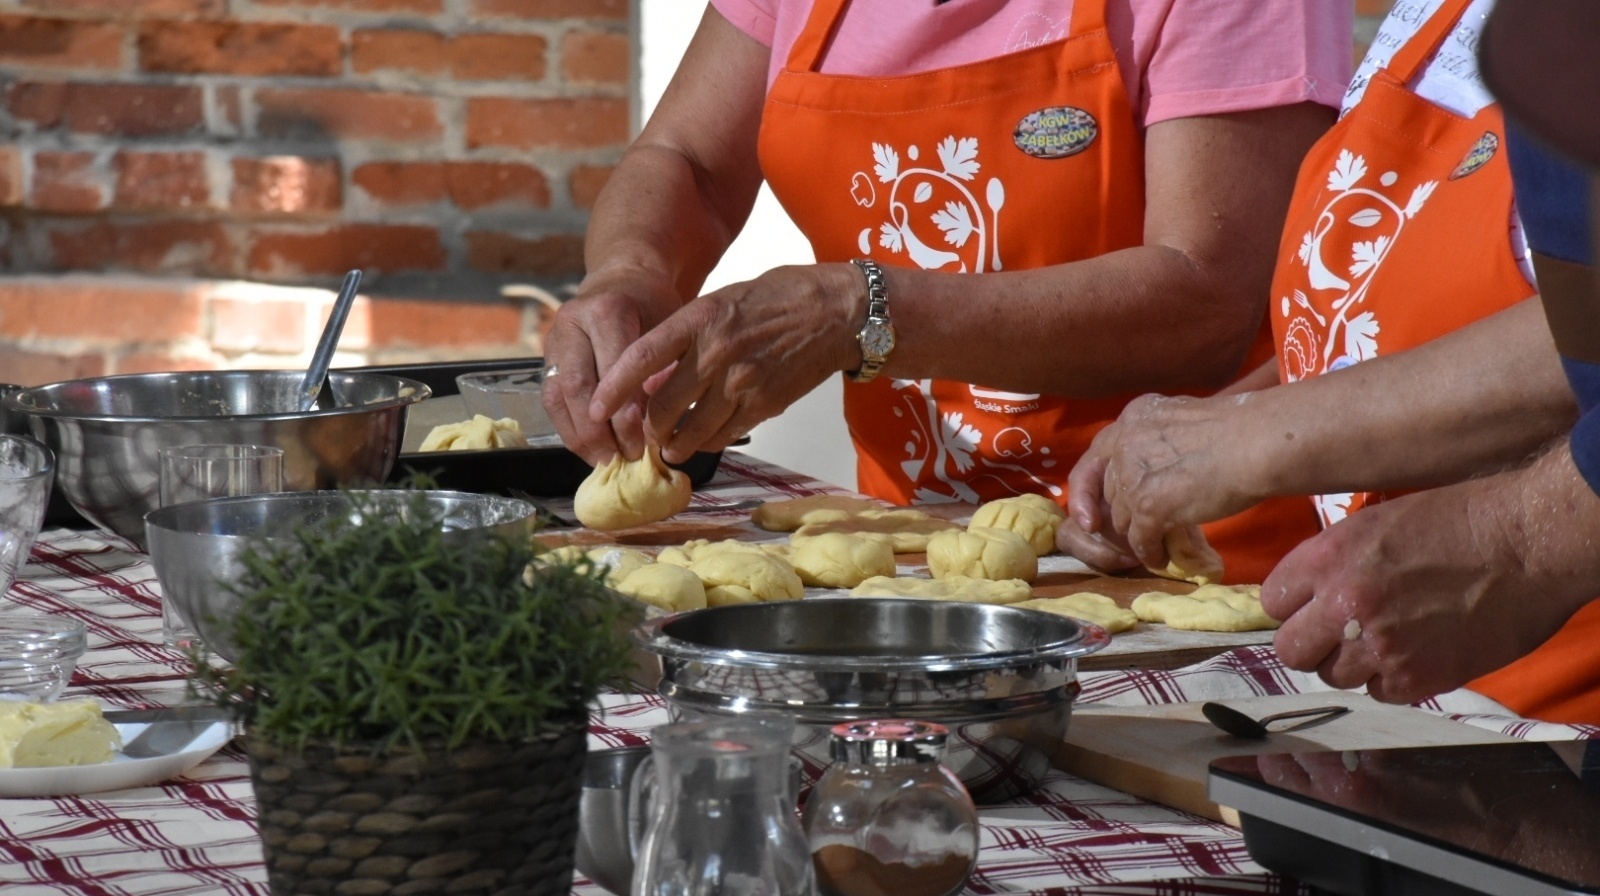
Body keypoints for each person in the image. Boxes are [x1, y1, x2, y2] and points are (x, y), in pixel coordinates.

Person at [544, 1, 1351, 583]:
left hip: (1189, 562)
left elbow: (1205, 295)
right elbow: (688, 160)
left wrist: (858, 313)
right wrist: (629, 271)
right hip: (916, 563)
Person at [1058, 0, 1600, 723]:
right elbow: (1373, 308)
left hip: (1560, 708)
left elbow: (1580, 331)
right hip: (1412, 702)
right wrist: (1199, 435)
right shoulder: (1435, 16)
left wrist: (1257, 439)